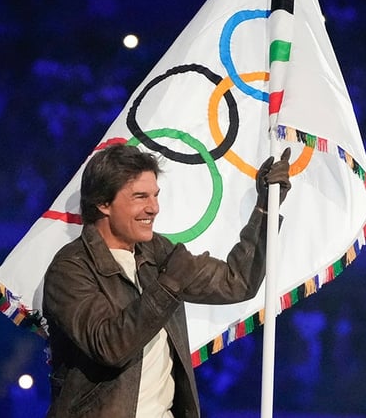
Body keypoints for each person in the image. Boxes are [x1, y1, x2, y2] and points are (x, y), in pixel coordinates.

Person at [42, 144, 291, 418]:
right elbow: (110, 346)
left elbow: (237, 281)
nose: (154, 208)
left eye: (155, 196)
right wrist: (168, 285)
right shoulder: (70, 268)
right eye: (140, 197)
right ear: (103, 203)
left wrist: (265, 210)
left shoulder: (156, 251)